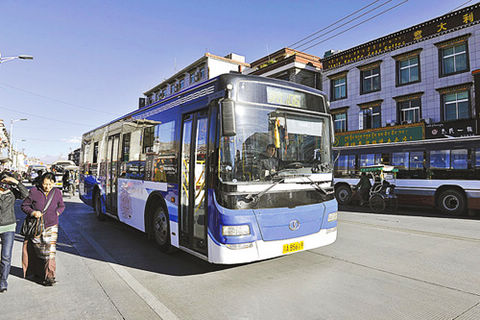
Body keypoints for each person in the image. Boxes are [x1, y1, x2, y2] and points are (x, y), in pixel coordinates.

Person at [21, 172, 65, 286]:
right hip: (37, 227)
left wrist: (57, 213)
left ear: (54, 183)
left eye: (50, 184)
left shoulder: (57, 192)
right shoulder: (34, 192)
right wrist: (33, 212)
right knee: (39, 251)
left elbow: (62, 206)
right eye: (45, 184)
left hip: (52, 225)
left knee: (50, 252)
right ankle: (38, 273)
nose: (48, 187)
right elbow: (24, 205)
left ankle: (50, 276)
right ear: (41, 182)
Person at [0, 171, 29, 292]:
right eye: (4, 181)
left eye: (8, 181)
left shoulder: (12, 192)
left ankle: (2, 282)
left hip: (9, 227)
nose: (6, 184)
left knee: (6, 256)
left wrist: (16, 182)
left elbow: (26, 194)